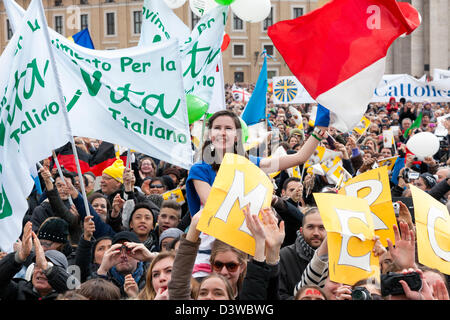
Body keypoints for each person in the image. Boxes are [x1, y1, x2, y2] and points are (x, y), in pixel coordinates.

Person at [185, 110, 327, 277]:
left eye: (228, 128)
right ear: (210, 134)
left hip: (246, 250)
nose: (222, 132)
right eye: (217, 128)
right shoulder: (199, 170)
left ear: (237, 136)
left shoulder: (252, 164)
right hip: (209, 251)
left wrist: (319, 131)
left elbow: (299, 157)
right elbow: (213, 206)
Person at [0, 221, 71, 300]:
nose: (41, 271)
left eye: (49, 265)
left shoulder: (67, 297)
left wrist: (47, 268)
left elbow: (76, 290)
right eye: (37, 265)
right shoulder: (18, 291)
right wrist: (19, 257)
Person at [279, 207, 326, 300]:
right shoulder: (284, 256)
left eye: (321, 228)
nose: (316, 233)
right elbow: (278, 294)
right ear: (301, 230)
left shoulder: (337, 259)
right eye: (310, 227)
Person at [93, 231, 156, 298]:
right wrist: (103, 270)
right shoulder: (101, 275)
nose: (123, 255)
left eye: (128, 250)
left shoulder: (153, 277)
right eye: (118, 250)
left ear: (139, 255)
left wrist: (151, 257)